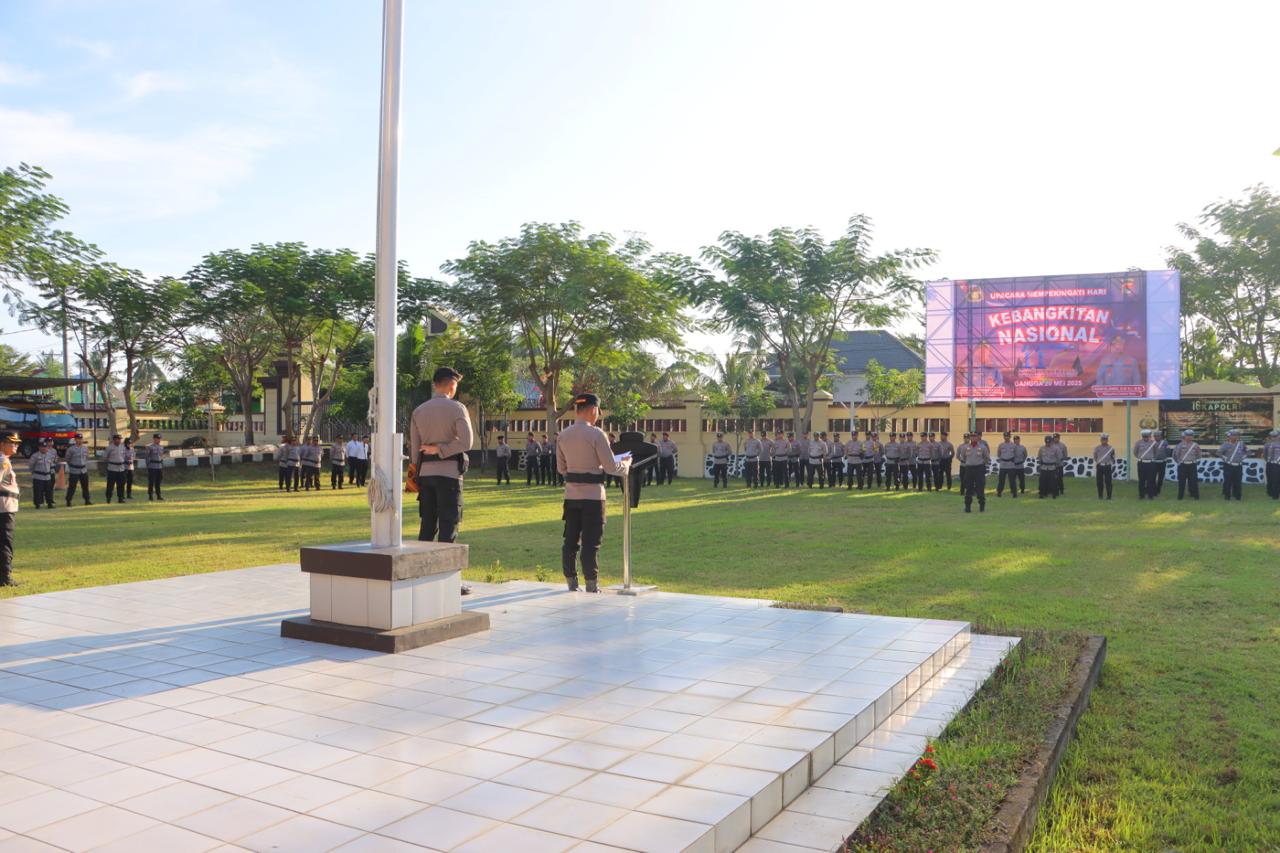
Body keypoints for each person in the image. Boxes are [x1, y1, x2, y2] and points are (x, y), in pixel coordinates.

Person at [559, 393, 631, 593]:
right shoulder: (597, 434)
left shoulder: (563, 435)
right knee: (591, 542)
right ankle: (591, 584)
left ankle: (571, 582)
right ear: (593, 410)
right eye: (598, 411)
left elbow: (561, 468)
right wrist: (625, 465)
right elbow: (610, 467)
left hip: (571, 497)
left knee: (570, 540)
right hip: (593, 498)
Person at [410, 367, 474, 553]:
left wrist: (416, 477)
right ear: (452, 385)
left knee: (427, 524)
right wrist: (441, 450)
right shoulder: (457, 408)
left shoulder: (418, 411)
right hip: (449, 474)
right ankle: (445, 569)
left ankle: (421, 566)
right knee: (448, 523)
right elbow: (467, 442)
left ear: (435, 385)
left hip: (425, 475)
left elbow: (415, 451)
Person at [0, 432, 19, 586]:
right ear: (2, 444)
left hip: (5, 505)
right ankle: (5, 577)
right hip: (5, 507)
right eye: (12, 442)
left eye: (16, 443)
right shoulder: (3, 461)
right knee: (5, 541)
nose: (15, 445)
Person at [957, 433, 990, 512]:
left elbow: (986, 458)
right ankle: (967, 507)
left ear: (977, 437)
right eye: (971, 436)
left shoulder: (982, 447)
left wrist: (981, 463)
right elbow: (963, 457)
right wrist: (969, 462)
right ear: (970, 438)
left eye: (975, 436)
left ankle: (982, 506)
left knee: (980, 487)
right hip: (969, 469)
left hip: (979, 469)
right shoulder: (965, 447)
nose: (973, 438)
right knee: (968, 488)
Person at [1172, 429, 1200, 501]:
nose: (1189, 437)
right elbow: (1175, 455)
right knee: (1181, 482)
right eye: (1188, 435)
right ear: (1184, 436)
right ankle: (1180, 497)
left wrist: (1192, 460)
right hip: (1183, 465)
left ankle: (1196, 497)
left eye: (1191, 435)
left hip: (1192, 465)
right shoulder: (1180, 445)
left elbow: (1198, 455)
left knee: (1194, 481)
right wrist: (1179, 462)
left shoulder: (1195, 445)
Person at [1218, 429, 1246, 501]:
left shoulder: (1241, 444)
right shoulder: (1225, 444)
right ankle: (1227, 497)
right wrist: (1225, 458)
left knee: (1238, 482)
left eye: (1236, 435)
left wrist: (1242, 458)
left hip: (1238, 465)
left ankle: (1238, 496)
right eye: (1233, 435)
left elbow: (1248, 452)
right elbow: (1219, 453)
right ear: (1230, 436)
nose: (1235, 437)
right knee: (1228, 481)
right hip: (1229, 465)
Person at [29, 439, 57, 509]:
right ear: (39, 447)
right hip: (38, 476)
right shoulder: (35, 456)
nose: (44, 448)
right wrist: (33, 473)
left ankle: (50, 503)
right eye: (42, 447)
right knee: (38, 491)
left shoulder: (50, 455)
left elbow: (51, 464)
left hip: (47, 476)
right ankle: (38, 504)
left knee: (49, 491)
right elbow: (31, 465)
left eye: (45, 447)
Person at [64, 433, 91, 506]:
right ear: (75, 440)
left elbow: (87, 457)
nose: (79, 440)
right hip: (74, 470)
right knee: (72, 486)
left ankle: (87, 500)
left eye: (81, 439)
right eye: (78, 439)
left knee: (85, 486)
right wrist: (72, 465)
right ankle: (68, 501)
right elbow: (67, 459)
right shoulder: (71, 449)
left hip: (83, 470)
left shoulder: (85, 448)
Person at [1133, 428, 1158, 499]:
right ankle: (1141, 495)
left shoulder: (1154, 443)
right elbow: (1135, 452)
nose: (1145, 438)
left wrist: (1150, 458)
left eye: (1147, 436)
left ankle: (1150, 495)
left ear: (1150, 436)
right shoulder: (1138, 443)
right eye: (1144, 436)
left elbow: (1156, 452)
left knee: (1151, 480)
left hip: (1150, 463)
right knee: (1141, 480)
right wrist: (1141, 458)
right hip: (1141, 463)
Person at [104, 434, 128, 504]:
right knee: (110, 484)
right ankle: (108, 498)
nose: (119, 441)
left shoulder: (123, 447)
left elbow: (124, 456)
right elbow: (105, 457)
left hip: (121, 468)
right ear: (114, 440)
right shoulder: (109, 447)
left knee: (121, 484)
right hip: (112, 468)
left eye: (120, 439)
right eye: (118, 439)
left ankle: (120, 498)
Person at [1093, 433, 1117, 499]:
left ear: (1107, 440)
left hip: (1107, 466)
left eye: (1105, 439)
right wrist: (1099, 462)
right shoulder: (1097, 448)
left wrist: (1109, 462)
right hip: (1100, 466)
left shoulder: (1111, 448)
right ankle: (1100, 496)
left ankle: (1109, 496)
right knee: (1099, 481)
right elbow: (1095, 456)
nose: (1104, 441)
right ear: (1100, 440)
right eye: (1103, 439)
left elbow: (1113, 457)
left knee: (1108, 481)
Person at [996, 432, 1018, 497]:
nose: (1006, 437)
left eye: (1008, 436)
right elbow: (998, 454)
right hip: (1003, 465)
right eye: (1005, 436)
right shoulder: (1001, 445)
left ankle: (1014, 493)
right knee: (1001, 480)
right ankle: (999, 492)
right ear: (1003, 437)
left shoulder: (1014, 445)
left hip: (1011, 465)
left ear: (1010, 437)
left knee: (1012, 481)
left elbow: (1016, 454)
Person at [144, 433, 166, 501]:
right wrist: (148, 465)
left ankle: (158, 495)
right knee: (151, 482)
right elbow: (147, 457)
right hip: (152, 466)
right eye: (157, 438)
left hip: (159, 466)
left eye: (159, 439)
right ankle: (150, 495)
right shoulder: (150, 447)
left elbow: (161, 456)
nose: (159, 440)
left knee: (158, 482)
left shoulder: (161, 447)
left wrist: (162, 465)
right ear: (154, 439)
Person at [1152, 429, 1170, 496]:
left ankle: (1158, 490)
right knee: (1152, 477)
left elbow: (1168, 451)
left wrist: (1165, 457)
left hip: (1162, 462)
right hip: (1154, 463)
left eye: (1158, 436)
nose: (1156, 437)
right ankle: (1153, 490)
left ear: (1161, 436)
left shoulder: (1165, 443)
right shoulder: (1152, 443)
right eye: (1155, 436)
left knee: (1161, 477)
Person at [1266, 429, 1280, 500]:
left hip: (1277, 464)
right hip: (1272, 464)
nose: (1273, 438)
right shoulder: (1268, 444)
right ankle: (1273, 493)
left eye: (1275, 436)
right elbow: (1266, 454)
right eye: (1272, 436)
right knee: (1272, 479)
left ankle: (1275, 494)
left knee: (1276, 480)